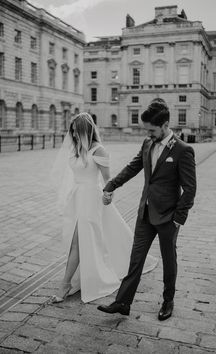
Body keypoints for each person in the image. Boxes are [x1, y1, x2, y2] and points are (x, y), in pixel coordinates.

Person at [97, 98, 196, 320]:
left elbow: (190, 189)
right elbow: (134, 166)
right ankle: (123, 302)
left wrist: (178, 218)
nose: (148, 134)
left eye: (152, 130)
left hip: (168, 217)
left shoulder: (183, 150)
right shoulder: (147, 143)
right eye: (147, 130)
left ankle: (168, 300)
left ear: (165, 125)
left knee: (169, 260)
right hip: (145, 213)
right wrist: (112, 184)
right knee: (136, 259)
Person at [50, 112, 157, 303]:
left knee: (78, 241)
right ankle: (75, 278)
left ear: (87, 131)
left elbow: (108, 179)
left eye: (77, 132)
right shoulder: (76, 149)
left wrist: (109, 194)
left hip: (92, 199)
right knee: (81, 240)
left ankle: (65, 284)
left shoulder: (98, 150)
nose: (74, 136)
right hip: (77, 198)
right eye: (72, 132)